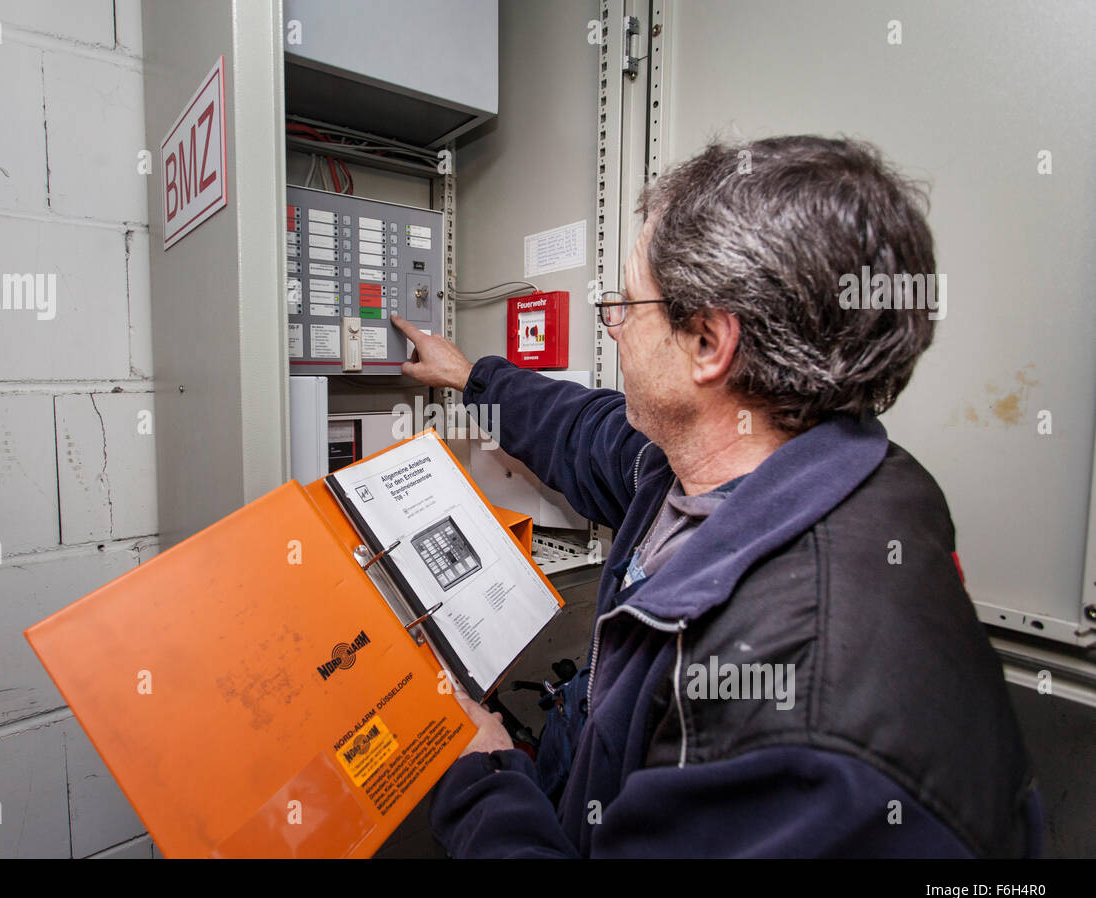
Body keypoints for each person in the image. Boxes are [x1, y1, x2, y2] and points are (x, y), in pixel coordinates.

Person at [388, 135, 1042, 858]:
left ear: (708, 342)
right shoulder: (754, 467)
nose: (614, 325)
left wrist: (482, 776)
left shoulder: (798, 730)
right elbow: (584, 431)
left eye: (624, 304)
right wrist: (471, 378)